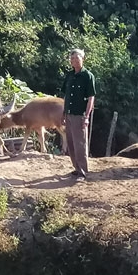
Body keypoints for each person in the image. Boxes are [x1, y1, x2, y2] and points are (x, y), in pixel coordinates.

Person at [61, 48, 96, 181]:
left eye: (77, 58)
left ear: (83, 59)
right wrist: (64, 113)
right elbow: (66, 96)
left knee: (80, 144)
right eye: (72, 58)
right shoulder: (69, 76)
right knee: (71, 143)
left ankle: (83, 171)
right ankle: (76, 168)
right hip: (69, 114)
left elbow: (91, 98)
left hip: (80, 115)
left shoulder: (88, 76)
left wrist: (86, 117)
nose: (74, 60)